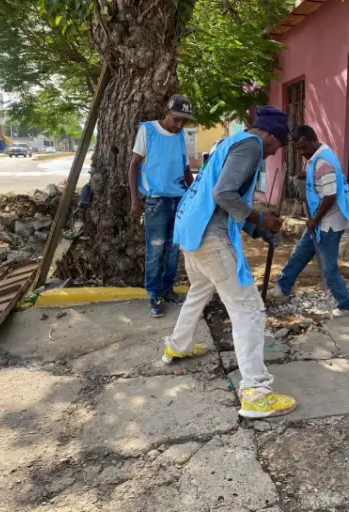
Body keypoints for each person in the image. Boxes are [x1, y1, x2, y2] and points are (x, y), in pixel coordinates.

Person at [163, 106, 297, 419]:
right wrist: (262, 218)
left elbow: (222, 202)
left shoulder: (230, 142)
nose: (274, 153)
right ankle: (255, 391)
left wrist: (258, 229)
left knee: (199, 292)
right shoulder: (252, 146)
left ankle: (177, 346)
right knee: (248, 309)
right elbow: (224, 193)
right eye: (279, 145)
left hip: (191, 231)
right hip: (210, 239)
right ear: (271, 135)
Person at [268, 125, 349, 317]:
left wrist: (314, 221)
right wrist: (306, 176)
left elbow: (329, 196)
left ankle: (346, 306)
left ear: (313, 140)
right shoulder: (319, 155)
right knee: (299, 255)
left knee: (329, 268)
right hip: (319, 221)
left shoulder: (323, 162)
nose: (302, 153)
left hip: (328, 223)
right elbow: (322, 179)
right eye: (298, 149)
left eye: (304, 148)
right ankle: (283, 288)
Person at [129, 94, 195, 318]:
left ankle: (168, 289)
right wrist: (135, 199)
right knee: (155, 249)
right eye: (176, 119)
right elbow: (134, 166)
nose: (179, 125)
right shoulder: (147, 131)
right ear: (166, 112)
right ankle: (153, 294)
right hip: (156, 200)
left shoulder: (182, 135)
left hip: (179, 199)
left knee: (174, 250)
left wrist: (194, 195)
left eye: (183, 121)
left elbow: (186, 170)